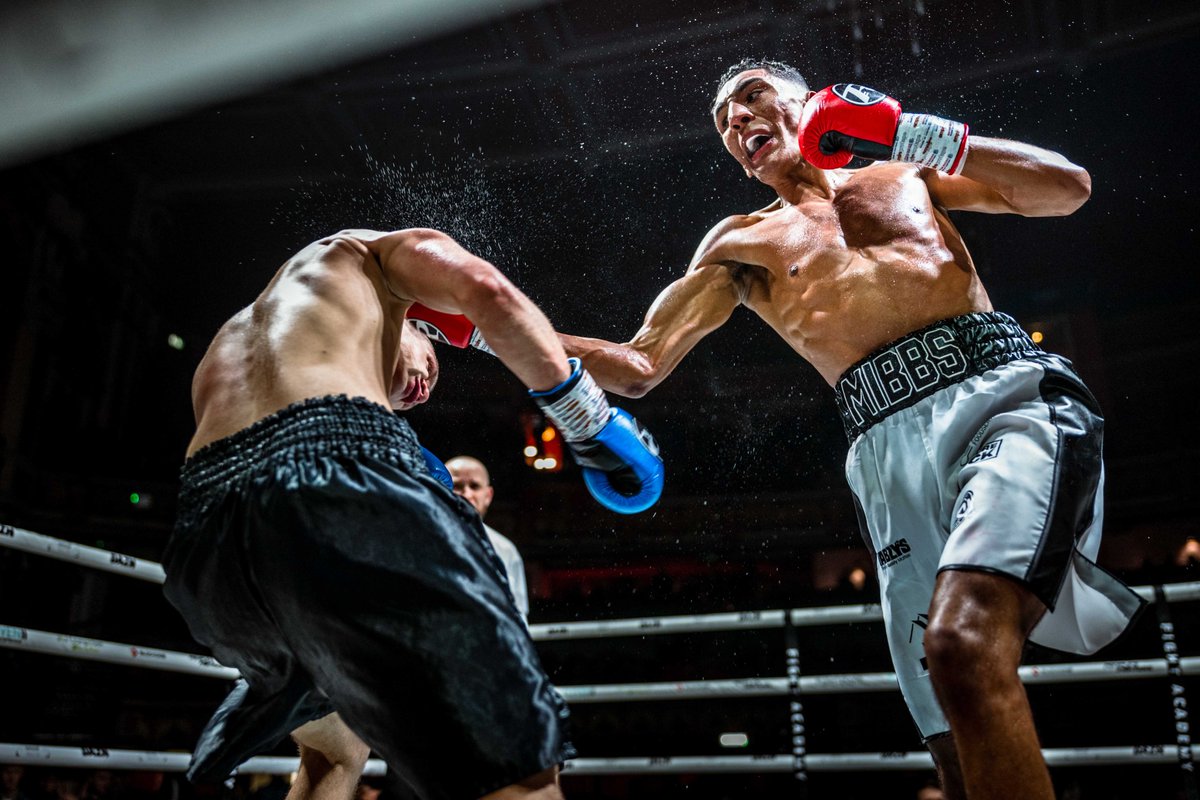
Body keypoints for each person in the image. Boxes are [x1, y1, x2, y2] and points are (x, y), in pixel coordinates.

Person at [558, 60, 1145, 799]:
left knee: (962, 644)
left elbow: (1066, 188)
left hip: (1000, 398)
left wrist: (909, 131)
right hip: (883, 455)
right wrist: (491, 330)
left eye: (750, 97)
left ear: (808, 103)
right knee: (950, 746)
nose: (736, 120)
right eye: (723, 122)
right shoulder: (740, 243)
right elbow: (639, 363)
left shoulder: (906, 171)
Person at [161, 227, 663, 800]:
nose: (420, 391)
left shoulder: (236, 347)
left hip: (209, 549)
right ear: (413, 318)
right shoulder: (365, 253)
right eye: (430, 363)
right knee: (518, 769)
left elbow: (266, 475)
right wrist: (585, 420)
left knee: (335, 748)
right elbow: (485, 290)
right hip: (335, 477)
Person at [445, 455, 529, 619]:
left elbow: (518, 616)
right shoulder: (425, 541)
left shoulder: (506, 550)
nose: (466, 494)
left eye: (474, 486)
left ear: (488, 496)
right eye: (457, 486)